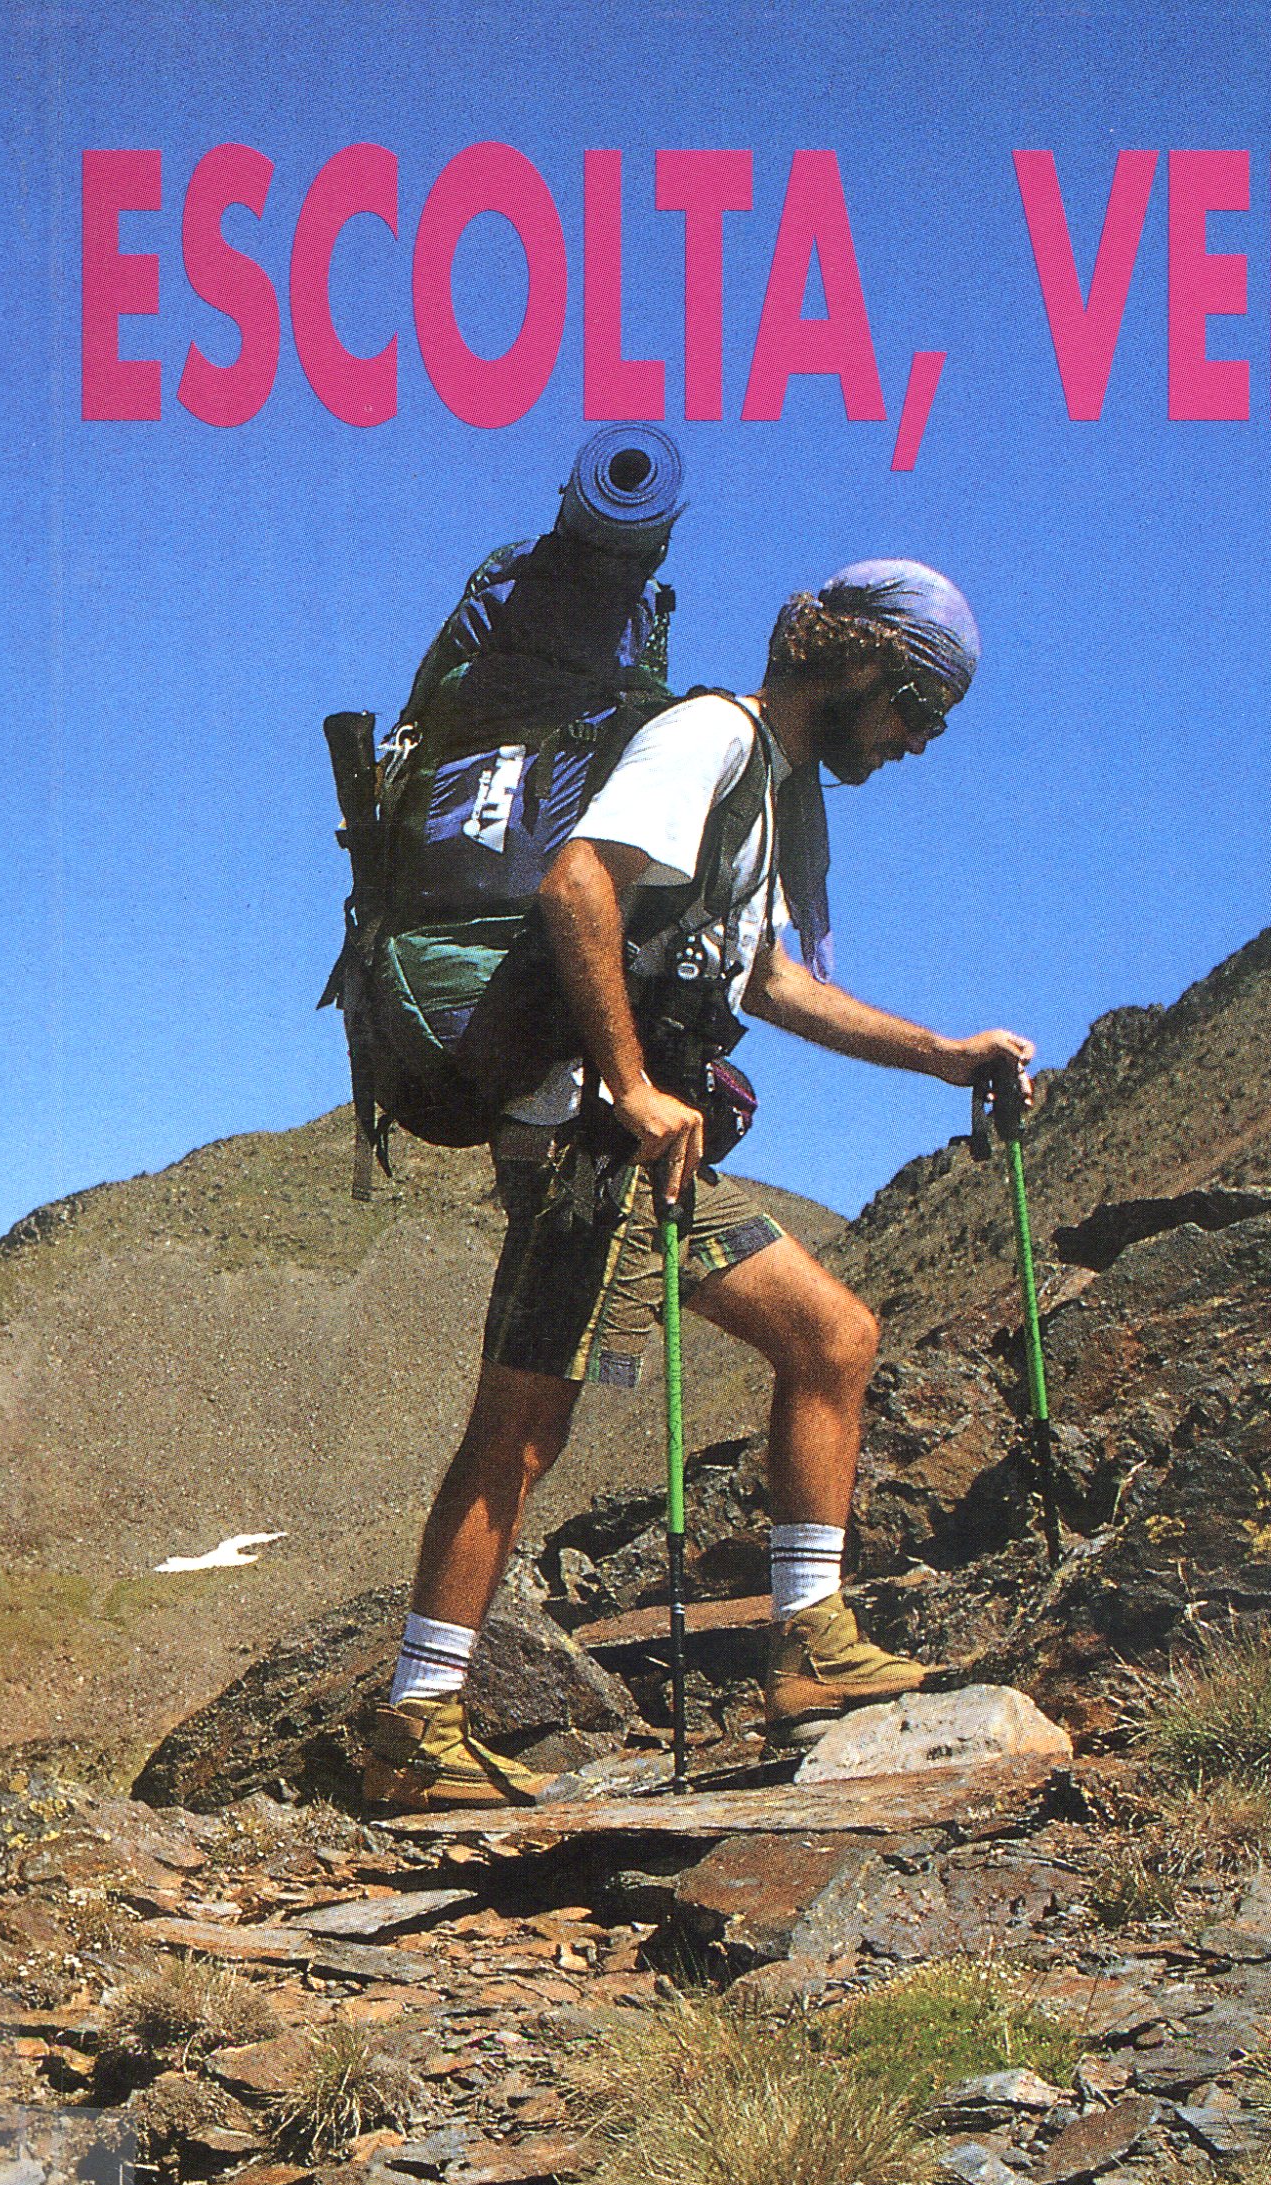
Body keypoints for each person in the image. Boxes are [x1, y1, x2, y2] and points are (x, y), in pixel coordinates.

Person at [362, 559, 1034, 1813]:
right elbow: (577, 883)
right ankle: (415, 1721)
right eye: (915, 710)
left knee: (832, 1334)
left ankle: (807, 1645)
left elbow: (768, 982)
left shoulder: (771, 797)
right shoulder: (710, 737)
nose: (914, 743)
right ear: (862, 666)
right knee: (520, 1430)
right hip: (586, 1148)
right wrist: (628, 1080)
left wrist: (947, 1055)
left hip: (648, 1158)